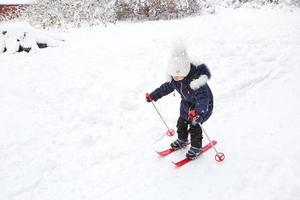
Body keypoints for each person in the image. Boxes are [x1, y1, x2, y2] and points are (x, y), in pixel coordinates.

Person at [145, 43, 213, 160]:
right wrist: (153, 95)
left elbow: (203, 99)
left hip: (202, 106)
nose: (175, 78)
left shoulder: (196, 82)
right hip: (186, 104)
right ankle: (182, 139)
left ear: (186, 71)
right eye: (173, 75)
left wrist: (199, 113)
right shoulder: (175, 79)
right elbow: (165, 88)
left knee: (194, 125)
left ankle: (196, 147)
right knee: (181, 122)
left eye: (179, 75)